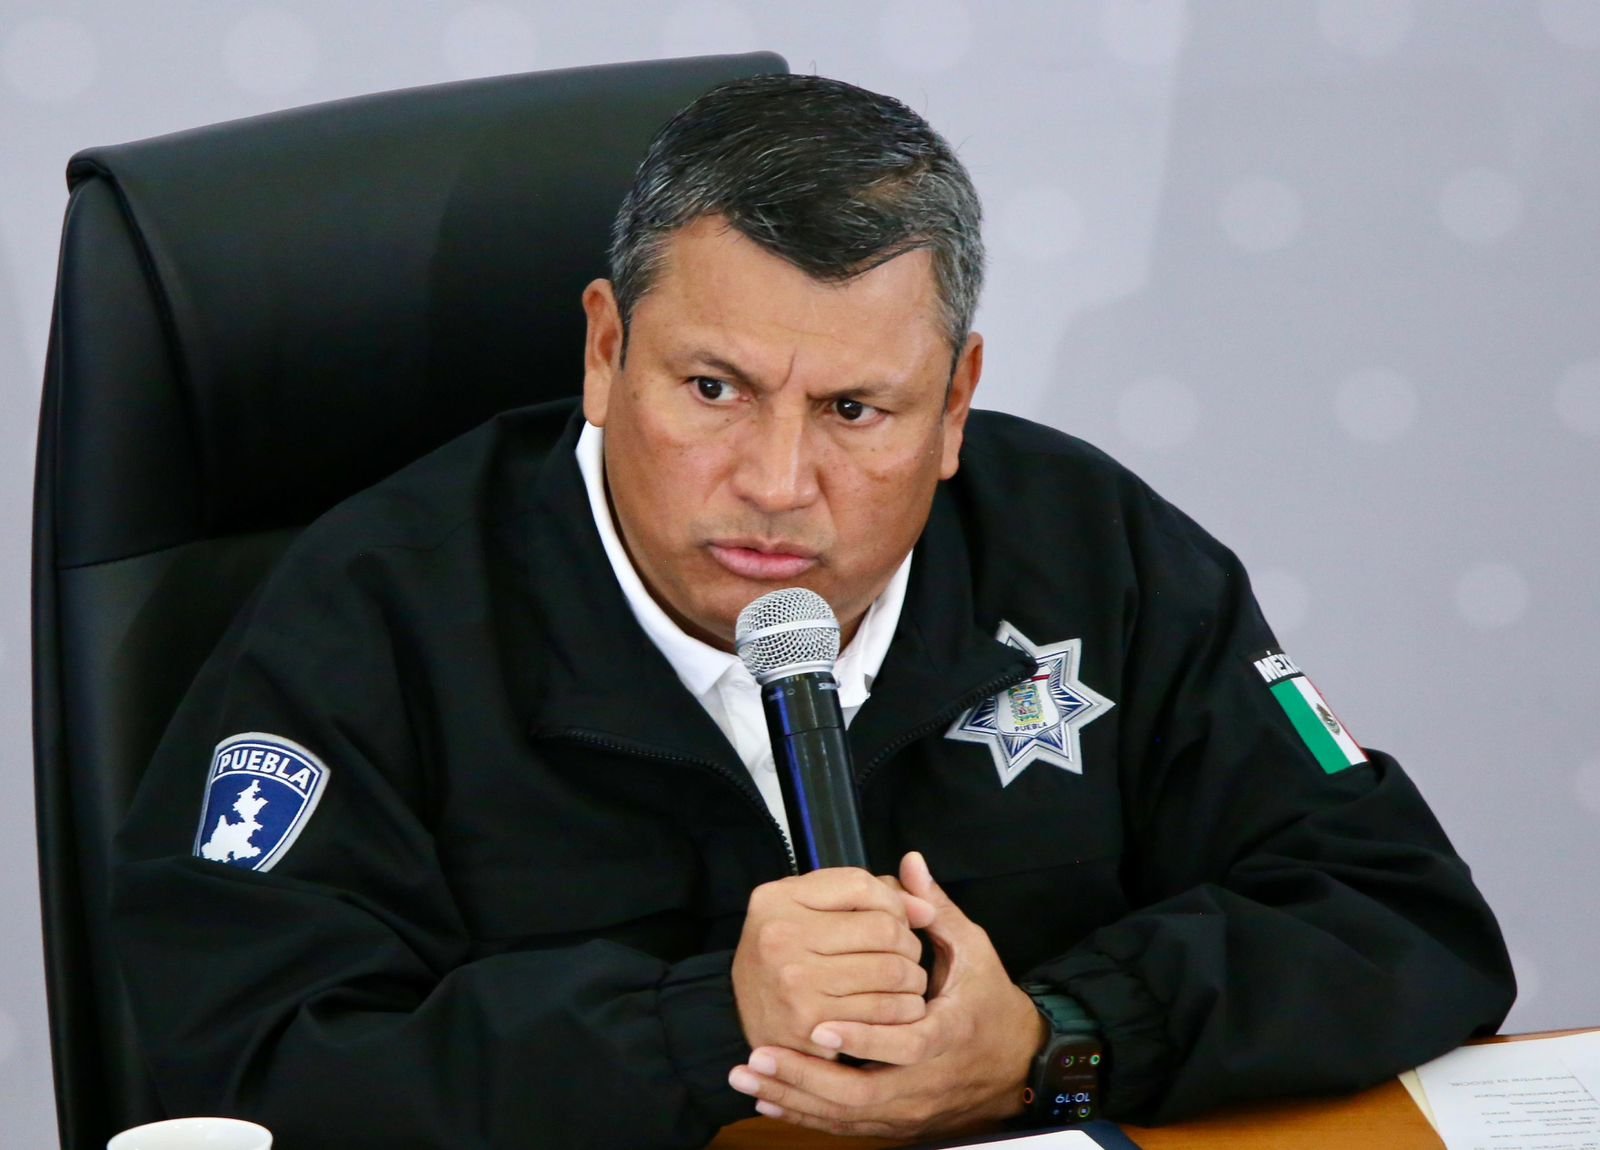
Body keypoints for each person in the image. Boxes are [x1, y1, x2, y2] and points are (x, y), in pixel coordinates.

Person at [112, 73, 1515, 1148]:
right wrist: (702, 1023)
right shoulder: (372, 614)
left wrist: (1054, 1037)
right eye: (713, 389)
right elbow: (236, 1063)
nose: (778, 485)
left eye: (856, 410)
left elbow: (1399, 914)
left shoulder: (1089, 547)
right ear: (604, 351)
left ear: (955, 406)